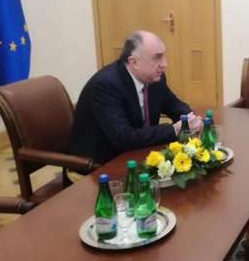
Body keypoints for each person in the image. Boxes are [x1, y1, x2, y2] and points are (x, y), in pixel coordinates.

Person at [68, 30, 203, 165]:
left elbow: (174, 106)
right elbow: (124, 137)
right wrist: (174, 129)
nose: (164, 64)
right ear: (134, 62)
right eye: (157, 58)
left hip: (139, 153)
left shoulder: (155, 78)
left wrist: (192, 120)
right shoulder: (105, 85)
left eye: (163, 56)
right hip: (101, 163)